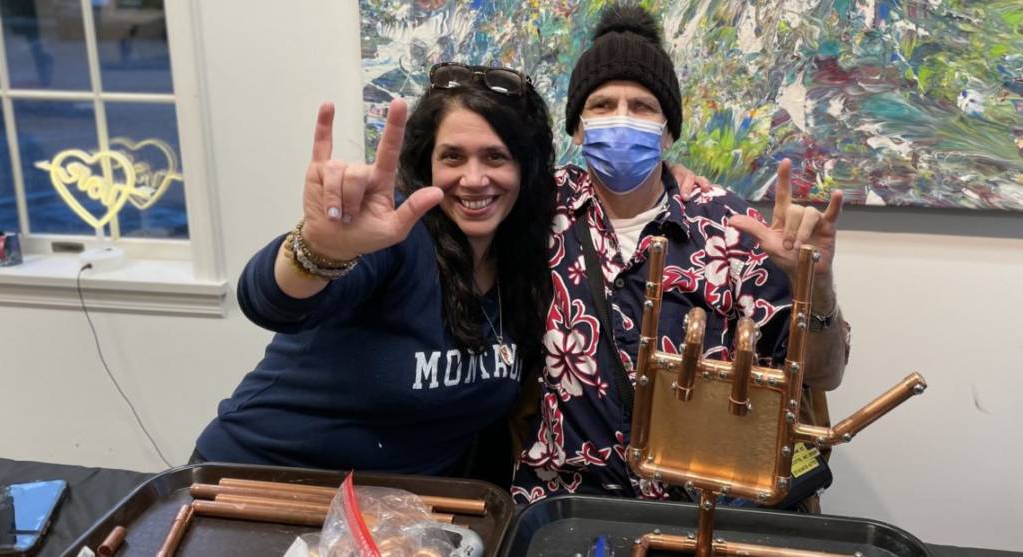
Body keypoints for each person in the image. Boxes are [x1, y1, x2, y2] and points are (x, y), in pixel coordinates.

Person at [511, 5, 851, 505]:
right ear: (578, 129)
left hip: (702, 510)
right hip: (567, 504)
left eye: (642, 107)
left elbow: (823, 374)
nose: (621, 120)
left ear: (669, 132)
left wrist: (815, 284)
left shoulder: (729, 227)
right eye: (602, 105)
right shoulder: (537, 213)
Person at [194, 63, 556, 482]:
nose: (473, 179)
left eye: (495, 157)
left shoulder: (525, 267)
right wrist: (318, 251)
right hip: (257, 481)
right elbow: (270, 303)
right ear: (428, 164)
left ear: (525, 170)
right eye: (452, 156)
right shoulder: (393, 238)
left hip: (396, 512)